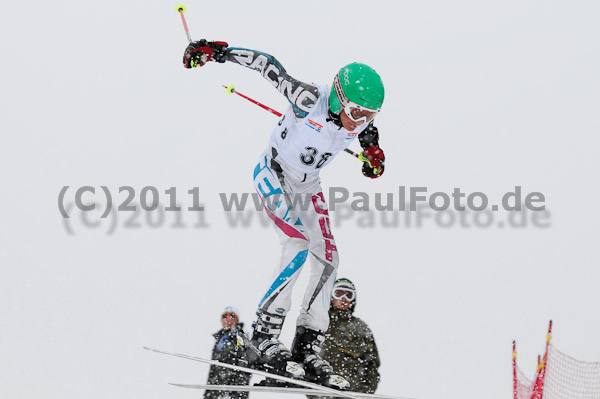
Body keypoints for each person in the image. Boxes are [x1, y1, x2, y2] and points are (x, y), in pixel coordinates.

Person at [183, 40, 386, 389]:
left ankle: (308, 343)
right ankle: (265, 332)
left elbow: (364, 131)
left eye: (369, 115)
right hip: (274, 172)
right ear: (338, 98)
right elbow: (268, 65)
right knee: (297, 242)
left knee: (328, 257)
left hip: (309, 186)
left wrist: (372, 151)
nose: (360, 121)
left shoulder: (356, 121)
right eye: (356, 112)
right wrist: (218, 51)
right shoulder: (309, 99)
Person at [319, 278, 381, 396]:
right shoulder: (319, 322)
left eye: (348, 295)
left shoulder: (361, 329)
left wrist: (363, 393)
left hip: (352, 392)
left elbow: (372, 365)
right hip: (323, 391)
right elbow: (304, 355)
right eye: (339, 293)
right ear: (331, 296)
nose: (344, 298)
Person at [204, 307, 251, 399]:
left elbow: (244, 364)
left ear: (237, 319)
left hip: (231, 392)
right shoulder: (220, 339)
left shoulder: (241, 336)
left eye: (232, 316)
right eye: (225, 316)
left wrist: (234, 393)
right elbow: (213, 369)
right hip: (215, 391)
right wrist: (208, 393)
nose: (228, 318)